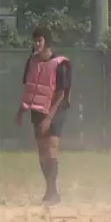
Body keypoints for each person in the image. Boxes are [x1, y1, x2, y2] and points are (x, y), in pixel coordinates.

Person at [15, 28, 71, 206]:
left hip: (56, 108)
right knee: (41, 150)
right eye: (35, 41)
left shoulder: (59, 63)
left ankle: (53, 191)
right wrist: (21, 109)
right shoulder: (31, 62)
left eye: (39, 40)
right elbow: (29, 88)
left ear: (47, 42)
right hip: (38, 108)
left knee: (51, 147)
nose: (36, 44)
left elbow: (61, 93)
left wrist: (49, 118)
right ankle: (49, 189)